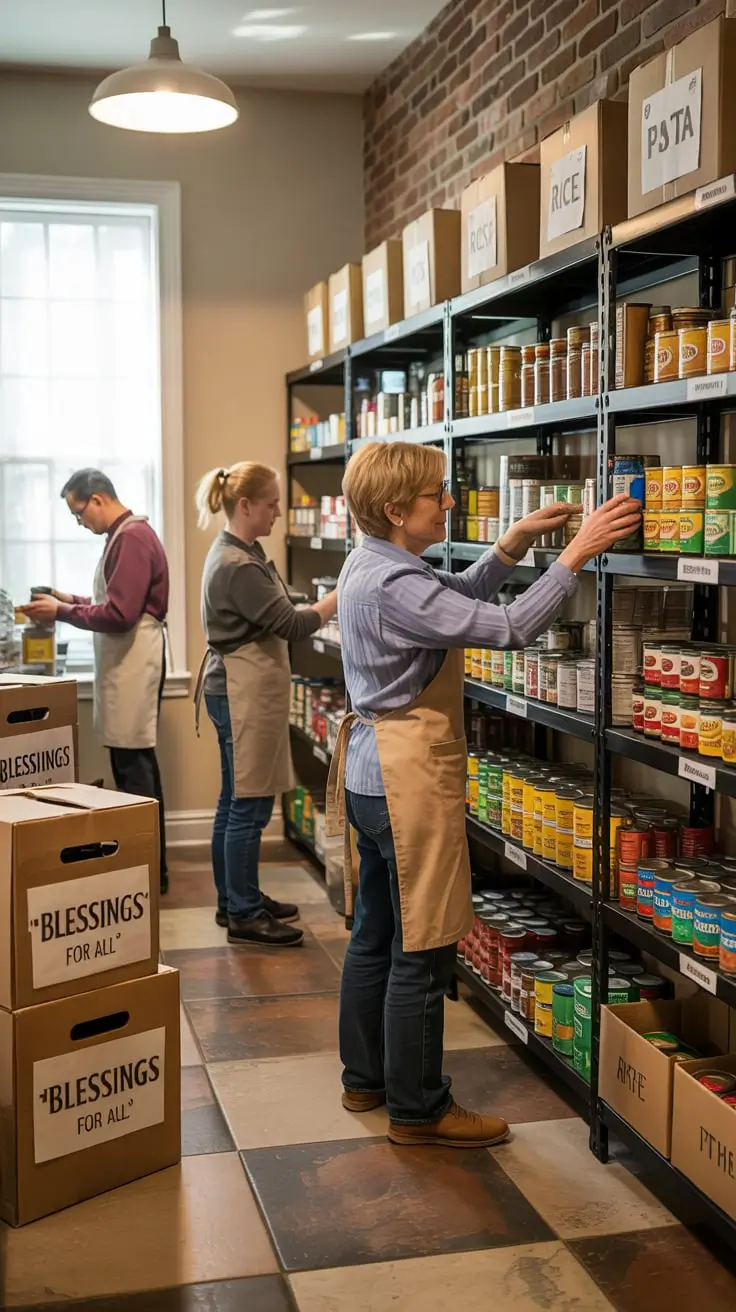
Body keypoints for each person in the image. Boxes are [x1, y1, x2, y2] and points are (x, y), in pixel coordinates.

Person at [326, 441, 641, 1149]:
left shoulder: (373, 562)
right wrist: (574, 555)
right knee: (425, 947)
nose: (450, 502)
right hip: (405, 777)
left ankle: (366, 1078)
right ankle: (420, 1110)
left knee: (375, 933)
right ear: (394, 510)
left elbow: (451, 605)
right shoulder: (393, 582)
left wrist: (510, 547)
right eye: (438, 494)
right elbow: (508, 627)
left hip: (372, 776)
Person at [195, 461, 338, 948]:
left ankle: (236, 897)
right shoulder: (236, 565)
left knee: (235, 800)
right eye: (273, 503)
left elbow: (276, 602)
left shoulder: (241, 550)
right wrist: (341, 595)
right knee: (249, 806)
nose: (279, 511)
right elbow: (294, 625)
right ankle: (244, 913)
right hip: (241, 693)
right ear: (246, 506)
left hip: (236, 690)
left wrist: (308, 598)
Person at [24, 469, 170, 893]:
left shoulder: (132, 538)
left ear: (99, 499)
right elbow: (112, 600)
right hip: (125, 664)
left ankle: (145, 868)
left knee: (135, 770)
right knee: (134, 765)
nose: (79, 522)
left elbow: (121, 614)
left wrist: (61, 613)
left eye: (78, 512)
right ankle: (147, 864)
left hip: (133, 662)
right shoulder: (123, 536)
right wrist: (70, 600)